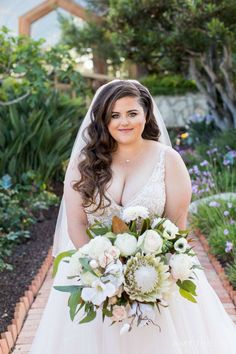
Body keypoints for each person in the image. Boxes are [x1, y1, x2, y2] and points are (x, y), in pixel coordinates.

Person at [29, 79, 236, 354]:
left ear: (146, 114)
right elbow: (77, 223)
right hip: (96, 279)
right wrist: (102, 271)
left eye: (132, 113)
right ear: (103, 119)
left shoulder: (169, 160)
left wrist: (146, 273)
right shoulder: (84, 165)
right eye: (114, 115)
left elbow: (176, 226)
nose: (123, 122)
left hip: (156, 277)